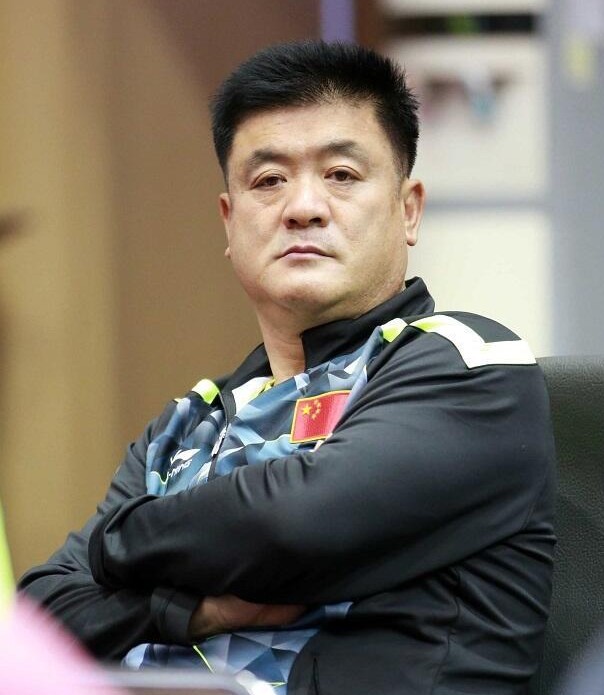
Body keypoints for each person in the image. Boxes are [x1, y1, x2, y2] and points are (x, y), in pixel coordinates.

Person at [19, 41, 556, 695]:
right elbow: (38, 616)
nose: (303, 206)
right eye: (268, 180)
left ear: (408, 208)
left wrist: (117, 538)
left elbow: (292, 525)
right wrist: (190, 611)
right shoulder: (189, 422)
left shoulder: (466, 363)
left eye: (342, 175)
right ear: (229, 219)